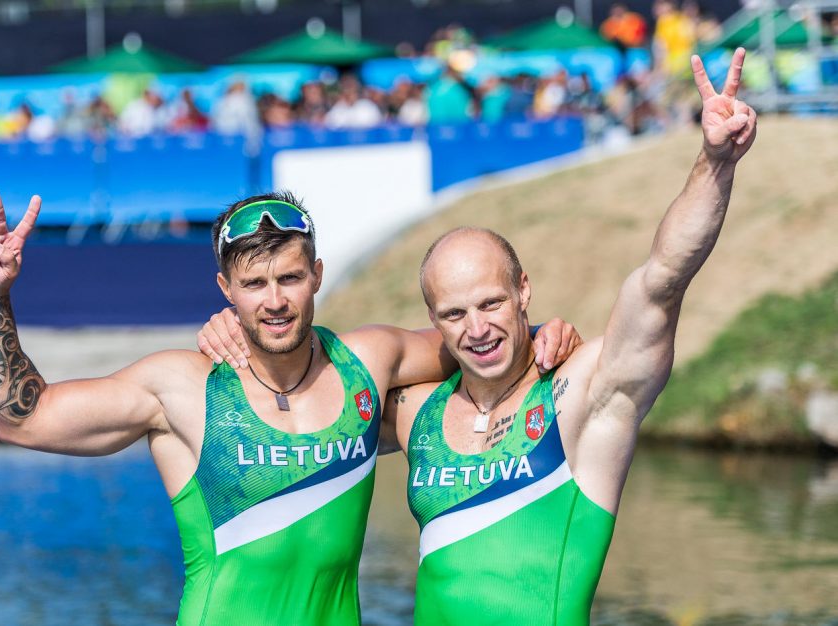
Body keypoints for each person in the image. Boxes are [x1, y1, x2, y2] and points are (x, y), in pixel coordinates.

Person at [201, 47, 758, 626]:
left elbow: (662, 279)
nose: (478, 329)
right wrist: (239, 332)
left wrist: (714, 162)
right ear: (434, 322)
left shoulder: (583, 400)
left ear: (524, 291)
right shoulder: (415, 414)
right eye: (455, 313)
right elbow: (294, 403)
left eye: (491, 304)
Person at [0, 190, 578, 624]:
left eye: (289, 278)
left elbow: (471, 340)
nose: (275, 300)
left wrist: (545, 332)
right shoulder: (185, 387)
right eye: (255, 285)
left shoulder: (368, 361)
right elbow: (22, 418)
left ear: (316, 275)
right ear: (226, 292)